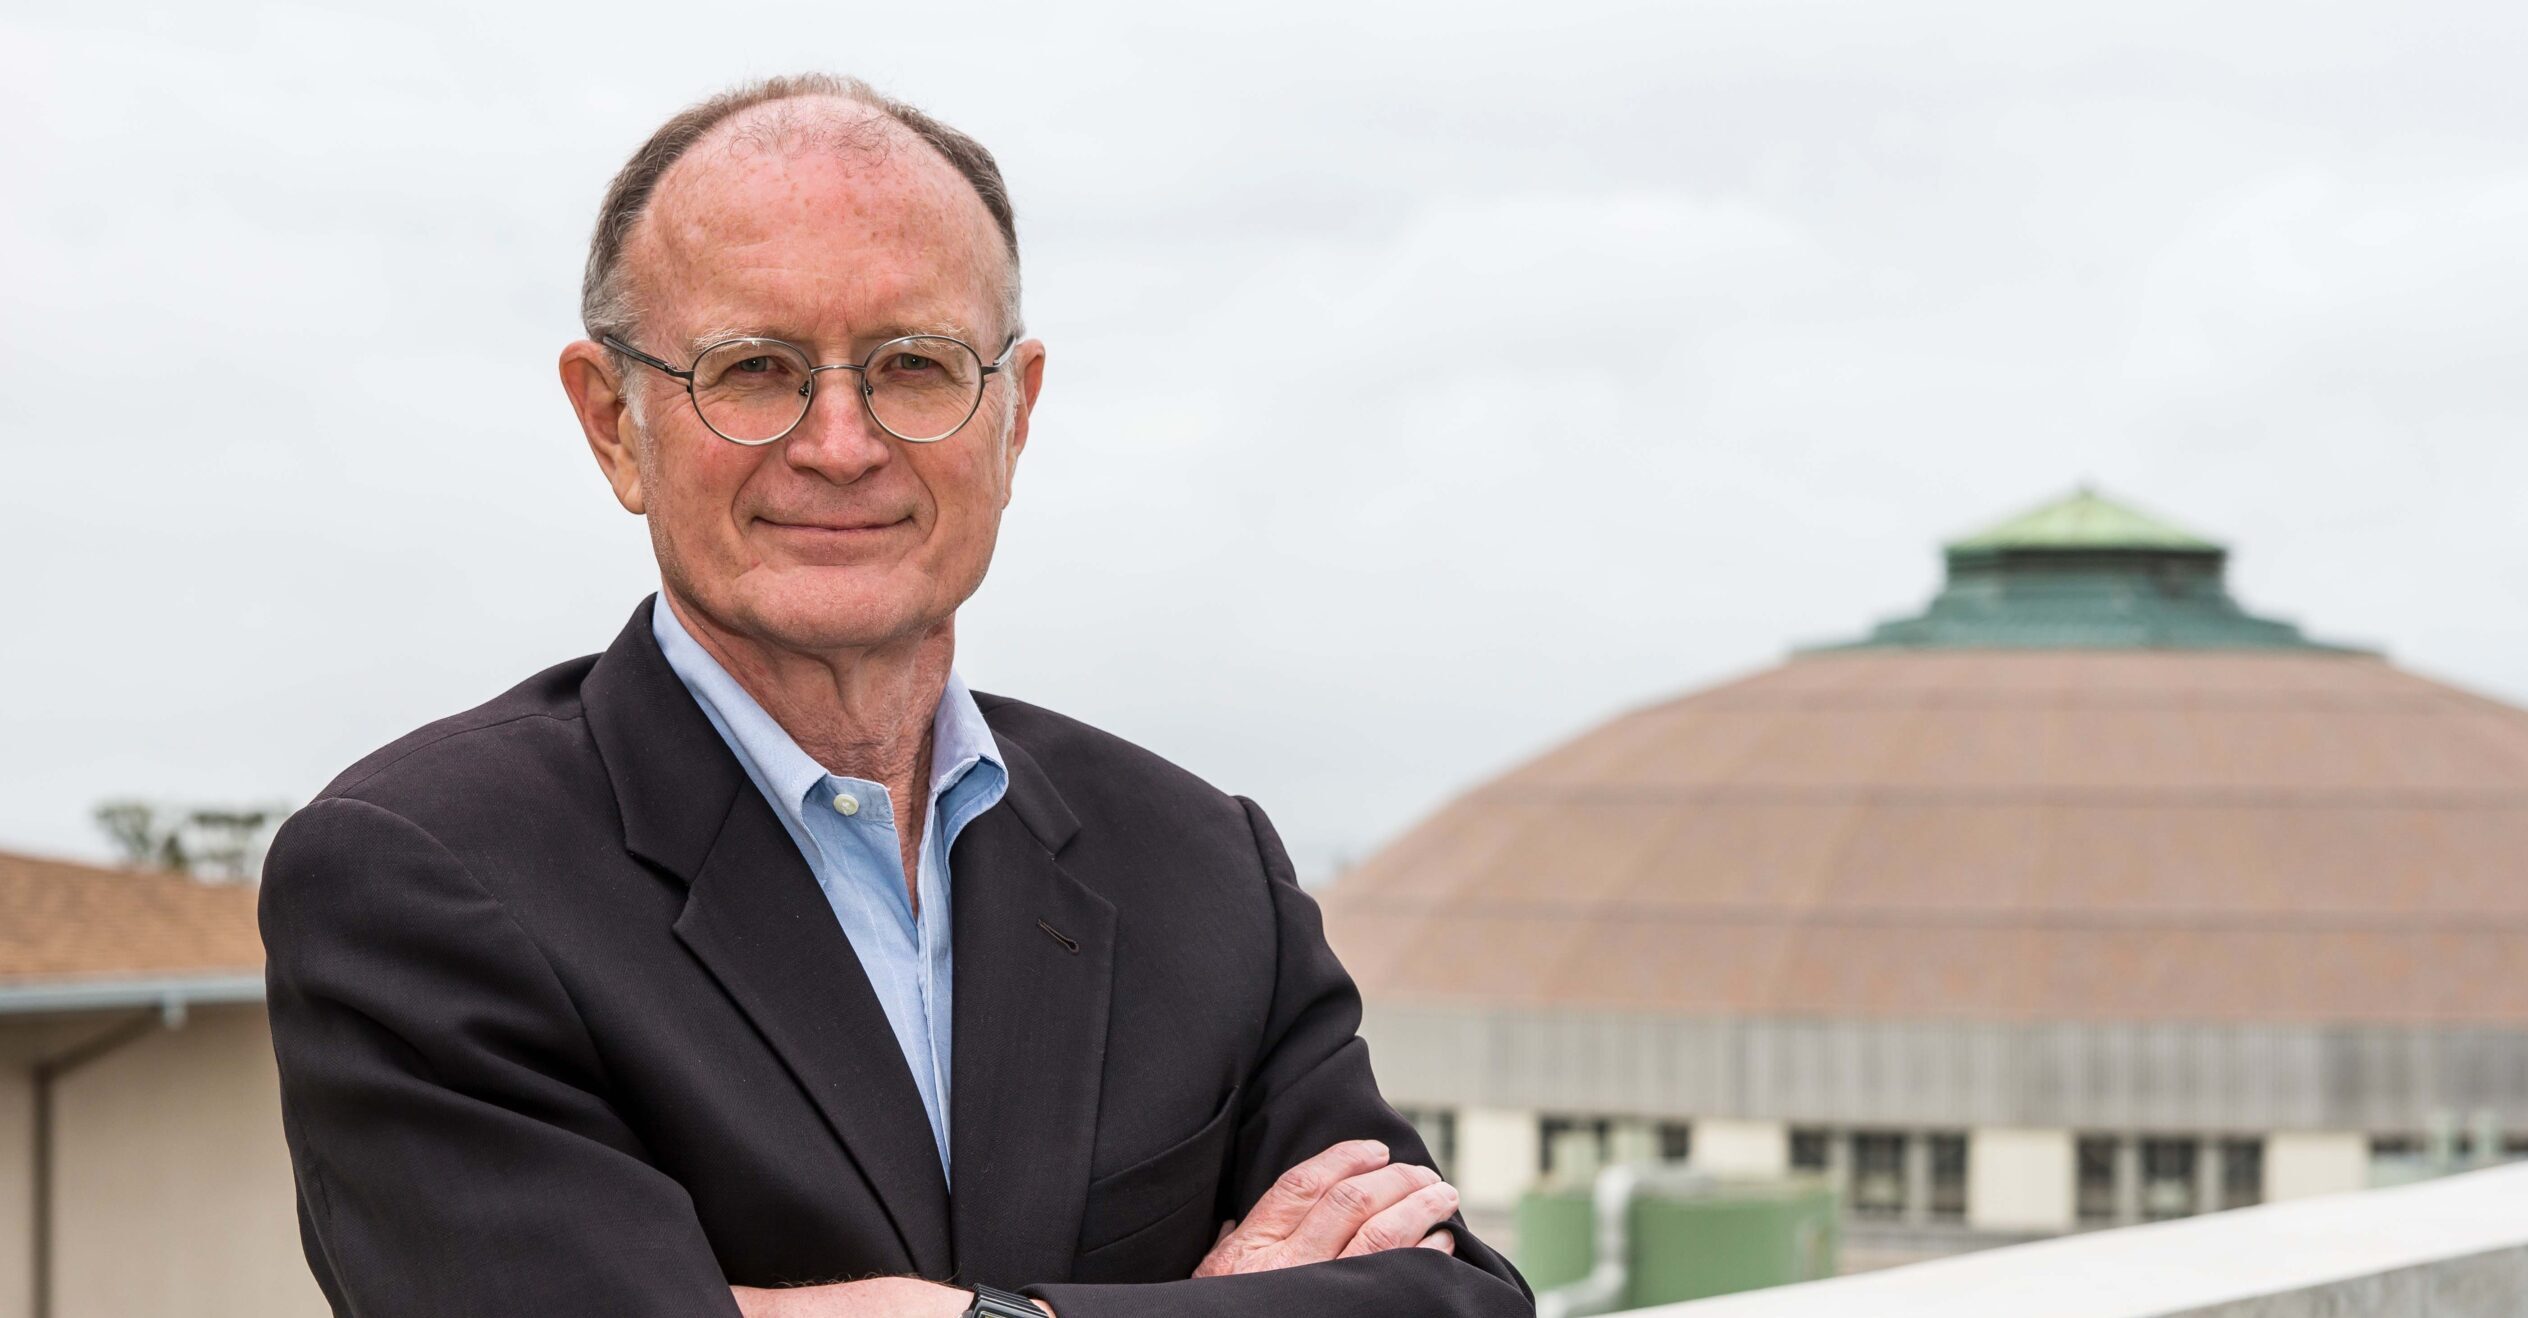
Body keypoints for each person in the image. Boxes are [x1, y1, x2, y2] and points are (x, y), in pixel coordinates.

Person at [259, 73, 1534, 1318]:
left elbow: (1450, 1296)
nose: (839, 441)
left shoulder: (1203, 870)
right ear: (612, 423)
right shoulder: (422, 878)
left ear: (1013, 417)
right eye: (752, 368)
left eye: (912, 364)